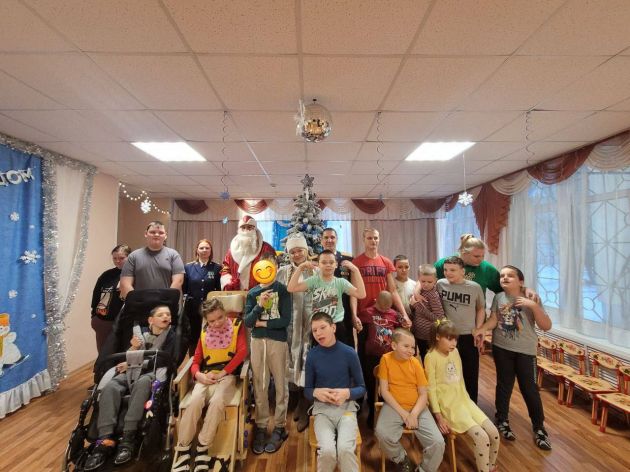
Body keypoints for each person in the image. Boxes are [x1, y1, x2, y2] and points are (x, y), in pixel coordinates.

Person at [84, 305, 176, 471]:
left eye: (168, 314)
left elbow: (164, 360)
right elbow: (128, 357)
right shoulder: (139, 335)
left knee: (143, 383)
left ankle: (128, 436)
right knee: (111, 387)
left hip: (151, 373)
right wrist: (133, 348)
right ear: (150, 320)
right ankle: (105, 438)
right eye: (161, 314)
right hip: (130, 372)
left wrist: (135, 363)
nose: (166, 317)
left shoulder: (171, 336)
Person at [472, 265, 552, 450]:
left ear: (521, 281)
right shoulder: (499, 297)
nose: (505, 278)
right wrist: (482, 329)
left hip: (525, 351)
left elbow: (546, 325)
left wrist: (533, 306)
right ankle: (502, 420)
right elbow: (494, 320)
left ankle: (539, 427)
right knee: (504, 385)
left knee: (529, 388)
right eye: (502, 276)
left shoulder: (532, 298)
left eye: (510, 276)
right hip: (502, 348)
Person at [171, 298, 247, 472]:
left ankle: (203, 446)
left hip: (226, 375)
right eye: (212, 321)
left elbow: (242, 352)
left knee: (217, 401)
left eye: (220, 317)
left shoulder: (237, 326)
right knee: (195, 401)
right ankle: (183, 448)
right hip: (205, 375)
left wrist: (223, 373)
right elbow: (196, 360)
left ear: (225, 313)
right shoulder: (205, 332)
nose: (217, 323)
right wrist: (198, 375)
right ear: (207, 321)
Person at [351, 228, 411, 427]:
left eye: (376, 238)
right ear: (364, 239)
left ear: (379, 239)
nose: (373, 241)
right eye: (369, 238)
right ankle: (368, 403)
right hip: (366, 318)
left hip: (385, 319)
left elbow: (392, 290)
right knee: (366, 363)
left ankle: (385, 404)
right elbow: (353, 291)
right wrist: (354, 315)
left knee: (387, 363)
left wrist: (403, 313)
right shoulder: (357, 262)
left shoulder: (385, 262)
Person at [424, 320, 500, 472]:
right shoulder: (430, 357)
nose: (454, 343)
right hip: (448, 407)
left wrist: (466, 400)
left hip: (464, 401)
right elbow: (430, 389)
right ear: (438, 337)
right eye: (449, 339)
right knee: (481, 437)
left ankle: (490, 467)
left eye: (455, 339)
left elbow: (460, 380)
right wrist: (439, 417)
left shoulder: (455, 352)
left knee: (494, 433)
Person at [375, 328, 445, 472]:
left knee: (438, 442)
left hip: (417, 407)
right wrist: (404, 414)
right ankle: (401, 458)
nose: (410, 350)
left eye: (413, 347)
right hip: (394, 406)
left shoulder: (416, 363)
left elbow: (423, 394)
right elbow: (384, 391)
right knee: (382, 433)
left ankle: (424, 469)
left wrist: (413, 414)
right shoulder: (385, 359)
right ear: (394, 345)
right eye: (406, 346)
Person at [304, 312, 366, 472]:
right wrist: (316, 392)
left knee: (345, 449)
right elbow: (307, 390)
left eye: (322, 328)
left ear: (333, 327)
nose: (318, 333)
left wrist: (347, 393)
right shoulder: (312, 356)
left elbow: (362, 388)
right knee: (327, 451)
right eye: (314, 330)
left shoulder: (349, 353)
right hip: (322, 412)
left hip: (346, 410)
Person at [243, 253, 291, 455]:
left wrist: (261, 323)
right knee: (260, 384)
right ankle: (261, 426)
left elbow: (284, 321)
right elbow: (248, 321)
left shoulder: (283, 290)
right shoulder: (253, 293)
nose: (265, 270)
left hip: (277, 343)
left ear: (275, 268)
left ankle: (280, 426)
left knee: (280, 384)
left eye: (270, 266)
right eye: (262, 266)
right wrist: (259, 305)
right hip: (257, 343)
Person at [276, 234, 315, 432]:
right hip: (289, 325)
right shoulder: (282, 272)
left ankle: (306, 404)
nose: (297, 254)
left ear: (306, 250)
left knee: (307, 362)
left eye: (300, 250)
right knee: (291, 361)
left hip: (311, 326)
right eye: (292, 252)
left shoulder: (315, 270)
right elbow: (276, 296)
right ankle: (295, 399)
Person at [288, 249, 366, 347]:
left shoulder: (341, 282)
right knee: (321, 355)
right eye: (324, 262)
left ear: (336, 265)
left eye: (331, 262)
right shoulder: (313, 281)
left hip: (337, 325)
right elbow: (291, 288)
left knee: (339, 354)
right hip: (319, 327)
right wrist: (300, 268)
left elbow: (361, 294)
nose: (328, 265)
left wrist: (356, 270)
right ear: (318, 265)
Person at [437, 256, 485, 403]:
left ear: (462, 271)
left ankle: (471, 405)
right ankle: (450, 403)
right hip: (447, 335)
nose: (448, 273)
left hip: (468, 335)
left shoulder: (474, 287)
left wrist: (479, 329)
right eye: (445, 270)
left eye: (452, 270)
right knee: (448, 372)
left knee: (470, 373)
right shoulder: (440, 284)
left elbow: (480, 309)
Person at [119, 221, 185, 300]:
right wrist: (137, 301)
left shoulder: (174, 255)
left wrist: (165, 301)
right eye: (152, 232)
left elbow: (178, 281)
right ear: (146, 234)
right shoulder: (133, 256)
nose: (156, 235)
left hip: (165, 304)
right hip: (139, 304)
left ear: (165, 235)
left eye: (161, 233)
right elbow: (125, 284)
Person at [183, 239, 222, 354]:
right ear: (197, 250)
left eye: (207, 248)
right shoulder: (188, 267)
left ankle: (209, 359)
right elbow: (185, 288)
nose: (204, 250)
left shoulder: (217, 268)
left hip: (210, 309)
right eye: (201, 248)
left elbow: (219, 289)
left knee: (210, 335)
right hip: (193, 309)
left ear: (211, 251)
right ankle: (193, 360)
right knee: (193, 337)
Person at [91, 244, 131, 353]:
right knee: (104, 355)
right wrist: (94, 316)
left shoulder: (134, 275)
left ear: (129, 257)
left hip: (124, 323)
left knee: (121, 355)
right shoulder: (106, 275)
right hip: (104, 322)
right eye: (115, 258)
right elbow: (96, 296)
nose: (118, 261)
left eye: (121, 258)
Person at [434, 234, 502, 296]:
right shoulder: (444, 264)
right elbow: (428, 284)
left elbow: (502, 292)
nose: (481, 259)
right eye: (476, 256)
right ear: (463, 253)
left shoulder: (487, 269)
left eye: (483, 256)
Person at [220, 215, 275, 291]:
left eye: (249, 227)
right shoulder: (231, 251)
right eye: (243, 227)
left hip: (260, 293)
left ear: (255, 229)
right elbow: (225, 269)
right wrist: (228, 282)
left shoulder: (266, 248)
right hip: (236, 293)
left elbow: (272, 269)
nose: (246, 231)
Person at [321, 227, 355, 342]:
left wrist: (354, 313)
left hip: (344, 310)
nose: (329, 240)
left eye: (332, 237)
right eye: (326, 237)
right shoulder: (315, 260)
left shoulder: (348, 259)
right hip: (323, 309)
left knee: (346, 343)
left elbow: (353, 289)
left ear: (337, 239)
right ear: (321, 240)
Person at [409, 264, 444, 361]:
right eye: (423, 281)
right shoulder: (421, 290)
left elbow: (439, 318)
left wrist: (416, 305)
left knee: (429, 361)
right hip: (419, 333)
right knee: (423, 358)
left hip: (429, 336)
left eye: (429, 282)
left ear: (435, 280)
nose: (426, 284)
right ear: (419, 279)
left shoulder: (433, 296)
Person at [393, 255, 416, 321]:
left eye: (406, 267)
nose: (404, 270)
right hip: (396, 319)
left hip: (412, 319)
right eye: (400, 267)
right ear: (394, 267)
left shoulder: (414, 284)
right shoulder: (391, 284)